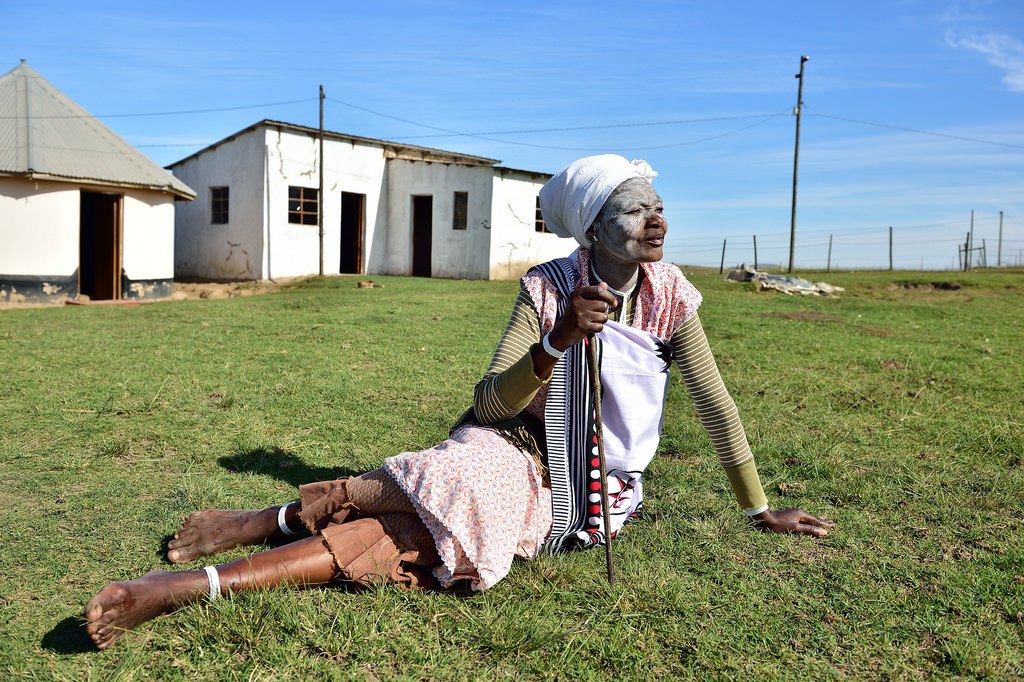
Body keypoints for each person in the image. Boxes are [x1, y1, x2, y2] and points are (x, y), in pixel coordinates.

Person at [85, 154, 833, 650]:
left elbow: (717, 405)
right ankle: (224, 554)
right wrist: (556, 344)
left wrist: (756, 508)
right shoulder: (549, 288)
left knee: (422, 532)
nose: (656, 221)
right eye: (636, 211)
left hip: (590, 492)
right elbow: (492, 402)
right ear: (595, 227)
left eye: (659, 207)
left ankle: (217, 563)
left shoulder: (671, 297)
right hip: (511, 446)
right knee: (458, 484)